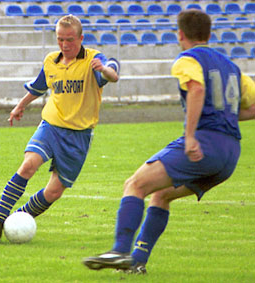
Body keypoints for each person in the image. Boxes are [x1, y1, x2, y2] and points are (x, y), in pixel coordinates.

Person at [82, 9, 255, 274]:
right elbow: (252, 108)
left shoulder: (188, 59)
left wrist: (190, 136)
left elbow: (196, 88)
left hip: (204, 143)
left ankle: (119, 249)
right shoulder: (232, 67)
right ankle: (137, 262)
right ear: (209, 35)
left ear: (180, 34)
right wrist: (226, 118)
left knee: (135, 184)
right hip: (230, 153)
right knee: (161, 195)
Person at [0, 14, 120, 240]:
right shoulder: (51, 61)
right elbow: (38, 87)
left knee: (54, 191)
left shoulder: (94, 60)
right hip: (51, 126)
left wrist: (104, 69)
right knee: (28, 165)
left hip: (79, 135)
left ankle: (17, 219)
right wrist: (20, 106)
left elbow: (113, 75)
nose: (65, 45)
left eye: (70, 40)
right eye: (60, 40)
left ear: (81, 38)